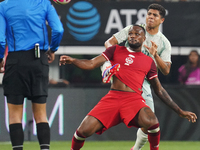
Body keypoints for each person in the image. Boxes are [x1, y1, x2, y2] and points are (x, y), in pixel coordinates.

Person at [59, 25, 197, 150]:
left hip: (133, 100)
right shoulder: (115, 50)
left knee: (152, 122)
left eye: (137, 34)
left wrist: (179, 111)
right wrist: (73, 60)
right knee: (82, 131)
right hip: (113, 97)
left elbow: (159, 90)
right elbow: (91, 63)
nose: (132, 36)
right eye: (130, 33)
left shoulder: (149, 61)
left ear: (144, 39)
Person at [102, 3, 171, 150]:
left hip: (144, 82)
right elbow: (109, 43)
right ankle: (107, 70)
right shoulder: (134, 30)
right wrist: (119, 56)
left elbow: (166, 70)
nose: (151, 17)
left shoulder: (164, 42)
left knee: (149, 126)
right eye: (149, 14)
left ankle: (136, 148)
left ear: (162, 20)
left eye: (155, 15)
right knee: (104, 59)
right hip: (125, 74)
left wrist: (155, 55)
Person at [0, 0, 64, 150]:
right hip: (38, 60)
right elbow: (58, 30)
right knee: (41, 114)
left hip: (15, 61)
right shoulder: (44, 3)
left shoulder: (3, 6)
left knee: (15, 115)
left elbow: (1, 39)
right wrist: (53, 49)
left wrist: (0, 57)